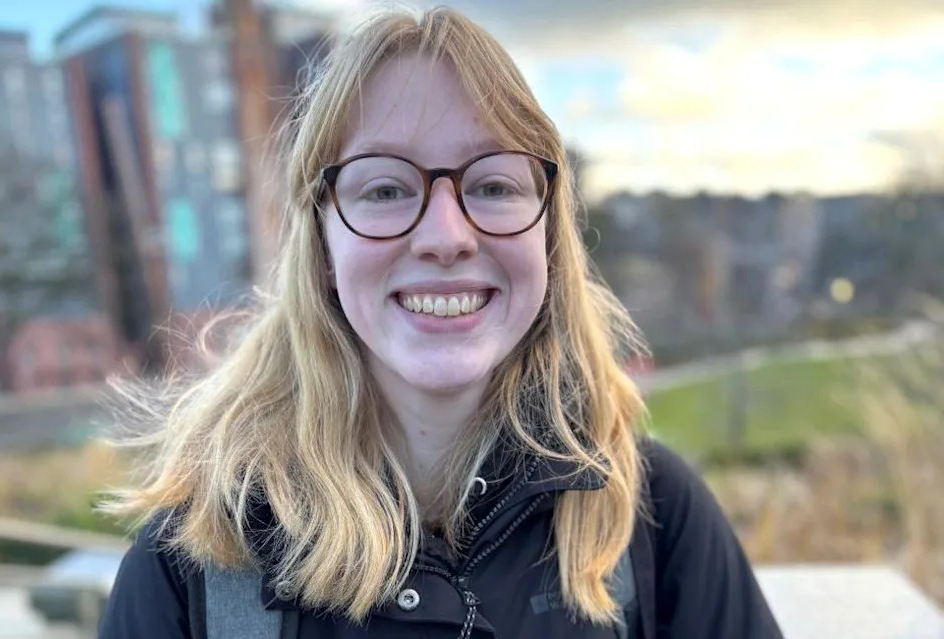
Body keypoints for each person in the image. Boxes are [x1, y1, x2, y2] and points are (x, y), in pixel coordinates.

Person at [98, 7, 783, 639]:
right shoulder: (190, 567)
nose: (446, 235)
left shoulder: (654, 518)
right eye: (386, 189)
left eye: (492, 184)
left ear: (546, 236)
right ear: (322, 246)